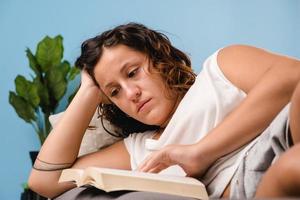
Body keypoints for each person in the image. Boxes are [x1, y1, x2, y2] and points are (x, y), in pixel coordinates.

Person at [28, 22, 300, 199]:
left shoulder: (220, 68)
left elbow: (292, 75)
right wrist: (88, 90)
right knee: (291, 167)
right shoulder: (138, 150)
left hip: (283, 135)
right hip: (254, 185)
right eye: (114, 92)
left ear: (159, 59)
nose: (131, 93)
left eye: (133, 73)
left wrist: (200, 152)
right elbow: (45, 181)